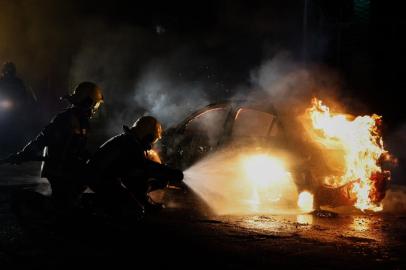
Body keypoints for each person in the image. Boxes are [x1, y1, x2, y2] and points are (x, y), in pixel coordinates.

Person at [5, 81, 104, 214]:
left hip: (70, 168)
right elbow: (42, 139)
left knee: (75, 198)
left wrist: (91, 158)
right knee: (63, 205)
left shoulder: (83, 122)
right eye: (95, 103)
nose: (95, 107)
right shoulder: (64, 119)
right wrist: (23, 154)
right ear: (87, 101)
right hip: (58, 169)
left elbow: (78, 147)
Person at [87, 116, 184, 221]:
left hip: (101, 177)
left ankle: (104, 205)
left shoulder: (128, 139)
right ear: (146, 136)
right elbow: (145, 166)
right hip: (100, 180)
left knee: (139, 182)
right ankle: (98, 209)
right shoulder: (130, 143)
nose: (150, 145)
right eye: (151, 140)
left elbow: (135, 174)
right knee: (134, 212)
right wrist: (168, 172)